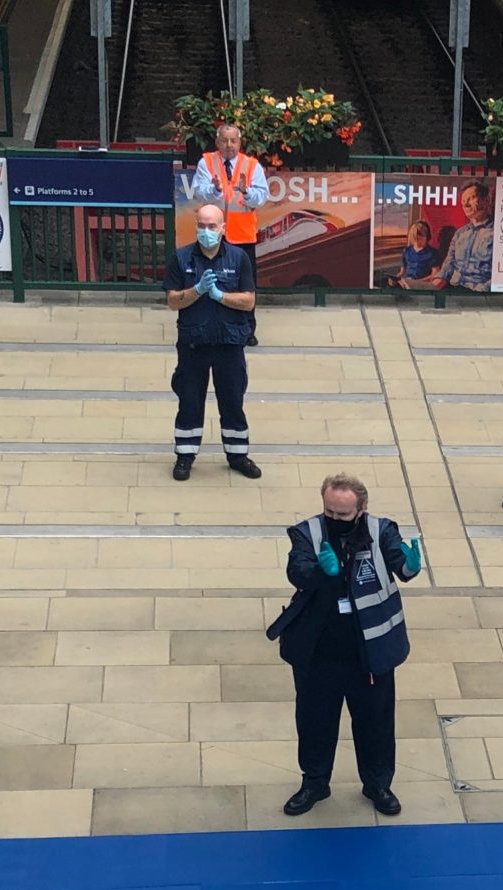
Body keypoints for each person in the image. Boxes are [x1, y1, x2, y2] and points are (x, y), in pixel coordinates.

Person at [270, 475, 421, 818]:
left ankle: (378, 784)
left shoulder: (381, 530)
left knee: (376, 724)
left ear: (361, 508)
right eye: (330, 512)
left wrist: (409, 566)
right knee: (314, 722)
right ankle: (314, 783)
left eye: (343, 514)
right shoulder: (307, 532)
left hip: (369, 653)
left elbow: (399, 561)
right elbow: (298, 570)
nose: (335, 521)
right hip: (319, 653)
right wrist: (322, 573)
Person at [163, 202, 261, 482]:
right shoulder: (181, 259)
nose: (206, 231)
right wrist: (196, 291)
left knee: (232, 400)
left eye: (212, 226)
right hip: (194, 343)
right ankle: (185, 454)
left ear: (223, 228)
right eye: (202, 226)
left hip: (229, 344)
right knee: (190, 400)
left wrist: (219, 296)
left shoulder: (238, 258)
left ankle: (238, 454)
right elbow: (172, 301)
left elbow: (248, 301)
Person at [187, 124, 269, 255]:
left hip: (243, 237)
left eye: (233, 141)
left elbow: (261, 198)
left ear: (239, 143)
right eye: (224, 141)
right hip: (213, 236)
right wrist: (215, 190)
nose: (229, 145)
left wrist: (246, 192)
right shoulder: (206, 162)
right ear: (217, 143)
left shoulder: (252, 165)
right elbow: (199, 193)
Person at [436, 182, 496, 292]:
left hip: (478, 295)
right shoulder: (460, 233)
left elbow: (501, 274)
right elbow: (447, 266)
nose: (466, 204)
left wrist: (482, 290)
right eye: (463, 201)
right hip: (453, 290)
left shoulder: (497, 234)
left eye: (471, 198)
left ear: (486, 200)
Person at [393, 219, 440, 287]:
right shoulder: (406, 251)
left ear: (427, 237)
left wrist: (418, 282)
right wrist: (395, 279)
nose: (419, 239)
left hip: (422, 284)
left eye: (422, 236)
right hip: (406, 283)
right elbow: (402, 272)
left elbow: (435, 274)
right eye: (416, 237)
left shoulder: (432, 253)